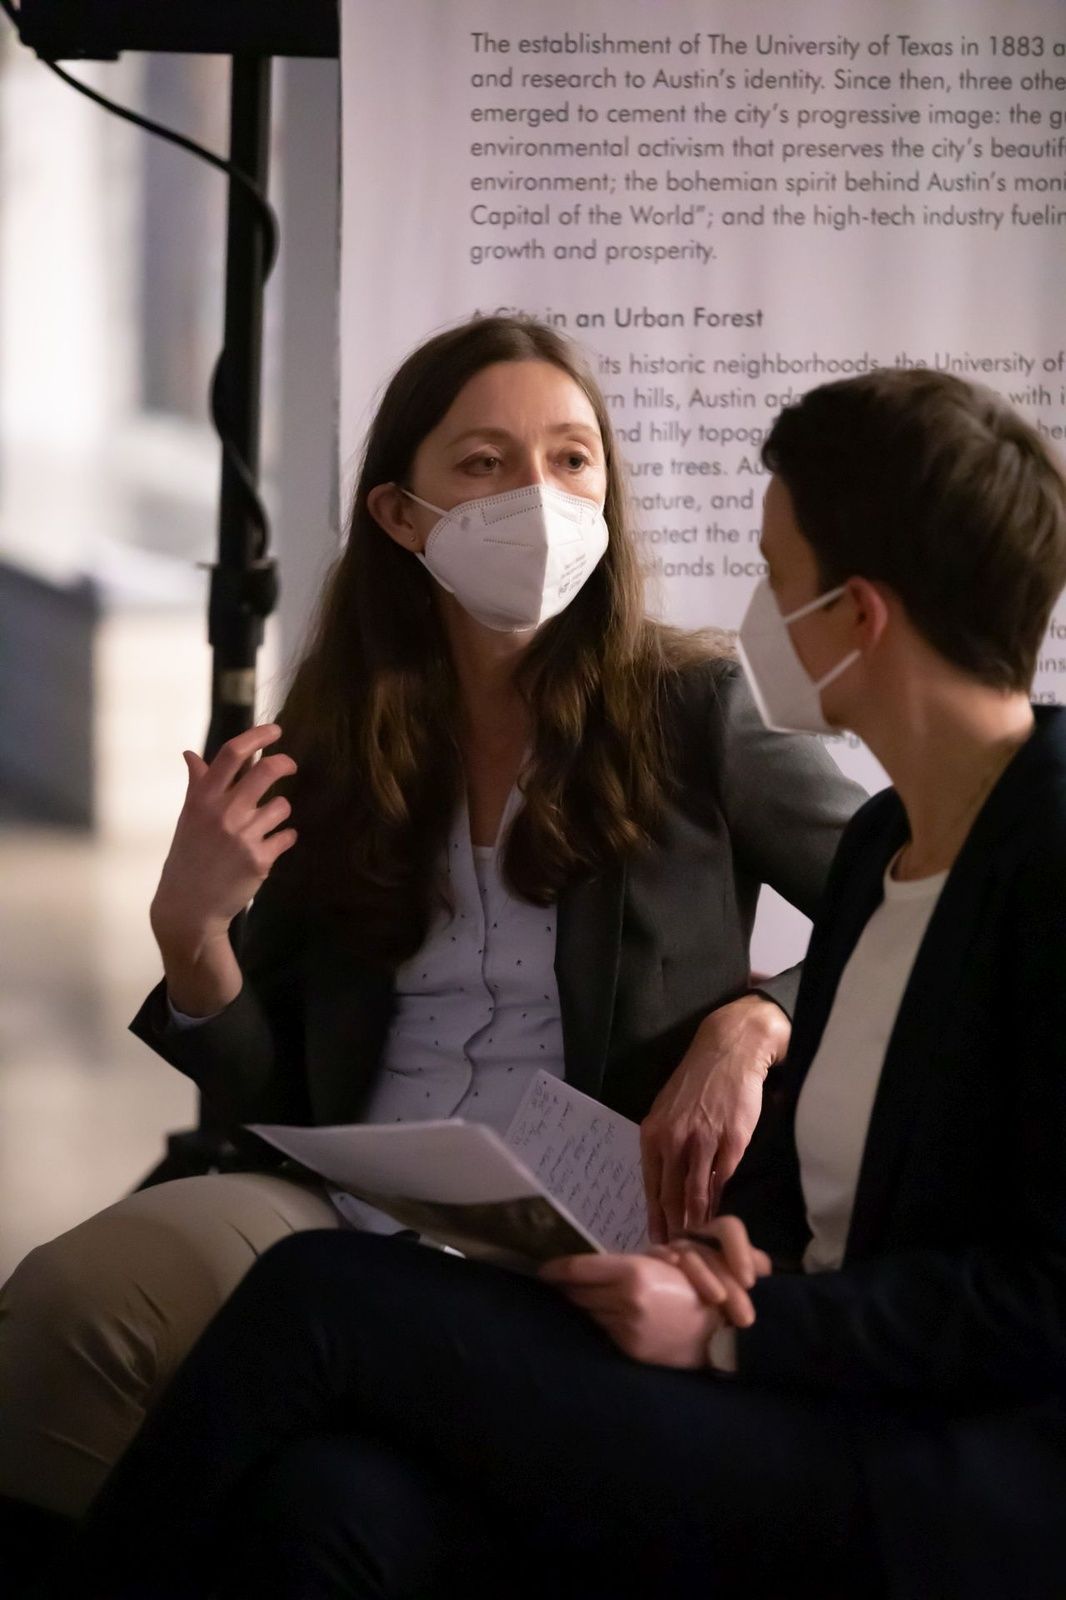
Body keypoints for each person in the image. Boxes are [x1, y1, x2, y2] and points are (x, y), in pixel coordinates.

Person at [59, 366, 1066, 1600]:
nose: (753, 612)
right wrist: (727, 1256)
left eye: (770, 574)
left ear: (856, 616)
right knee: (328, 1506)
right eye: (485, 461)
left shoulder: (1039, 858)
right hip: (785, 1369)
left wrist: (732, 1324)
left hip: (917, 1461)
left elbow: (1040, 1301)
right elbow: (833, 1193)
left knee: (313, 1298)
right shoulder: (885, 846)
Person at [0, 315, 862, 1520]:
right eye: (484, 462)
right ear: (401, 515)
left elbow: (904, 918)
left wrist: (755, 1024)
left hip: (586, 1241)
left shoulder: (699, 704)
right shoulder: (336, 733)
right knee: (66, 1299)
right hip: (347, 1210)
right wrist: (193, 941)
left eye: (570, 458)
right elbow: (272, 1093)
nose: (537, 496)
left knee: (329, 1492)